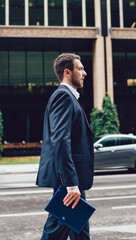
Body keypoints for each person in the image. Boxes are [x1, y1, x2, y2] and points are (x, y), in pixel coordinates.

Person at [36, 53, 94, 240]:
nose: (85, 73)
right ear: (67, 72)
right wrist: (70, 184)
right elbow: (60, 141)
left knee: (79, 231)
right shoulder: (63, 96)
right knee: (56, 230)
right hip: (68, 180)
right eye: (80, 69)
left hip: (71, 178)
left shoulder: (69, 97)